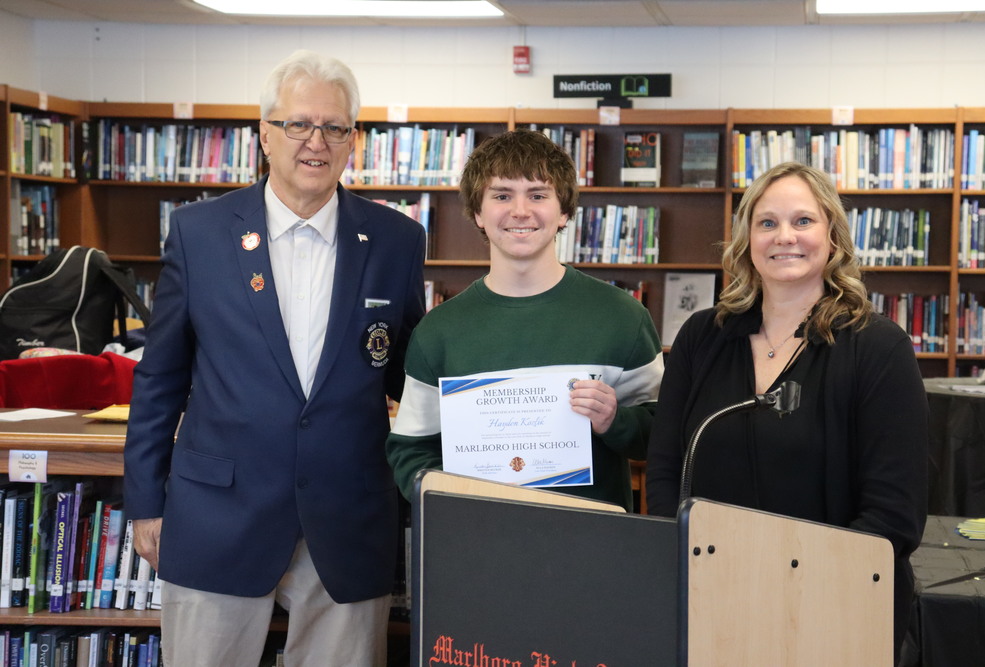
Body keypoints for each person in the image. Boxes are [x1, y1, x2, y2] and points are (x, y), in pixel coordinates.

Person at [123, 50, 426, 666]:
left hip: (347, 518)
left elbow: (408, 371)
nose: (316, 142)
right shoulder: (199, 233)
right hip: (218, 514)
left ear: (353, 141)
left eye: (334, 127)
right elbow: (160, 378)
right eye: (298, 124)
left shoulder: (396, 239)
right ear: (265, 134)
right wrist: (146, 502)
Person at [644, 161, 928, 660]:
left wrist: (794, 587)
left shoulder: (879, 347)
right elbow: (666, 470)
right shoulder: (701, 337)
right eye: (767, 222)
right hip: (711, 598)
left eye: (803, 221)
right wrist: (691, 566)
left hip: (834, 609)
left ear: (832, 236)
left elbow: (894, 512)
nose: (784, 237)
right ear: (747, 239)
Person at [386, 128, 663, 511]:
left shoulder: (623, 317)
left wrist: (615, 420)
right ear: (478, 213)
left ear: (564, 211)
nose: (520, 210)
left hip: (592, 539)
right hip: (477, 536)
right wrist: (452, 502)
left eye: (537, 195)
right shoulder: (438, 331)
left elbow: (663, 436)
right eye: (502, 195)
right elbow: (411, 450)